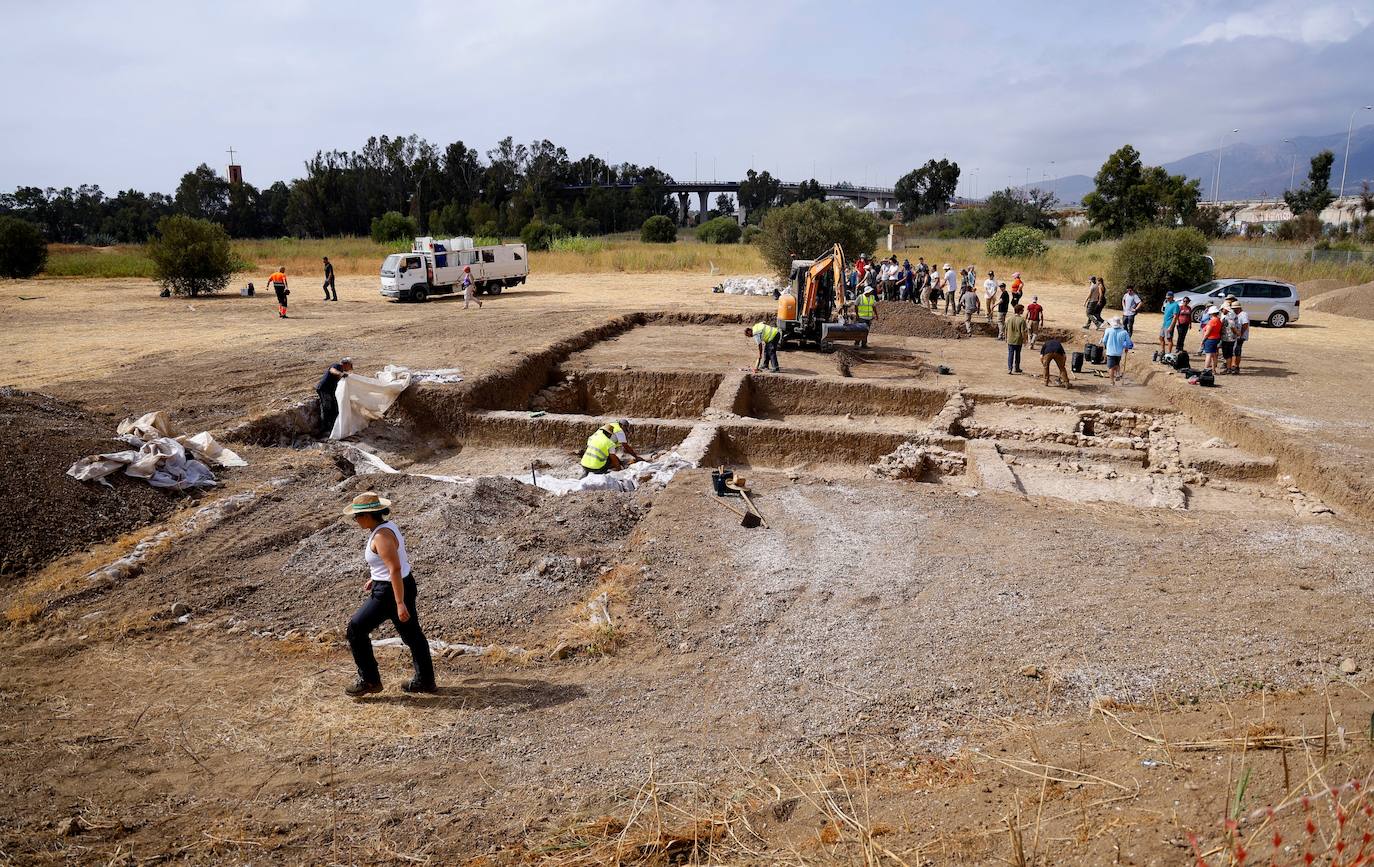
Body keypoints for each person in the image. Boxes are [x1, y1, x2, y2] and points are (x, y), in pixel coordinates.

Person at [343, 492, 436, 696]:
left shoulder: (381, 536)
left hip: (389, 593)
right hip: (398, 584)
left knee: (356, 629)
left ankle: (369, 681)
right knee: (412, 635)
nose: (355, 520)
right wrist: (375, 577)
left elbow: (393, 568)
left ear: (366, 515)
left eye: (356, 516)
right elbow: (391, 564)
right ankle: (426, 681)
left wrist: (399, 603)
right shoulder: (386, 527)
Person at [315, 357, 353, 437]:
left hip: (330, 391)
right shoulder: (337, 366)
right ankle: (324, 430)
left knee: (334, 409)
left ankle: (332, 428)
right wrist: (341, 374)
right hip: (324, 389)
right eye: (350, 365)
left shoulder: (342, 371)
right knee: (326, 408)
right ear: (346, 364)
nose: (350, 368)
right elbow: (332, 370)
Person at [1102, 316, 1134, 385]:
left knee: (1111, 367)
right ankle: (1118, 374)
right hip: (1119, 352)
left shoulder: (1108, 330)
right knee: (1117, 364)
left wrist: (1106, 346)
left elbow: (1104, 341)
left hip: (1110, 352)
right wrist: (1126, 348)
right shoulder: (1124, 332)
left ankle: (1112, 382)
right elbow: (1128, 342)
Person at [1005, 303, 1028, 374]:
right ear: (1019, 311)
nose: (1023, 311)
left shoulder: (1008, 319)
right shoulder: (1022, 320)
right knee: (1018, 354)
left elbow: (1006, 329)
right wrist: (1025, 340)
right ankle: (1017, 368)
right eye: (1022, 310)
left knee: (1010, 354)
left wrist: (1006, 338)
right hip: (1018, 340)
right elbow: (1023, 332)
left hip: (1010, 339)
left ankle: (1009, 368)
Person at [1200, 306, 1223, 373]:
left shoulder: (1212, 321)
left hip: (1210, 339)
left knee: (1208, 355)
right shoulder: (1218, 320)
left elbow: (1207, 333)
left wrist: (1203, 340)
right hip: (1216, 338)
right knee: (1214, 355)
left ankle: (1206, 369)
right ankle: (1213, 369)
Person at [1229, 301, 1250, 375]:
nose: (1234, 310)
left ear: (1238, 308)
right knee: (1235, 351)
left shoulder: (1243, 314)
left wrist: (1241, 333)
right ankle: (1235, 366)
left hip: (1240, 336)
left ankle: (1236, 366)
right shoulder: (1237, 314)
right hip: (1238, 335)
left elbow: (1245, 324)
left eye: (1235, 308)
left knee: (1236, 351)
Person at [1219, 298, 1239, 374]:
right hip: (1227, 338)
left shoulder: (1229, 317)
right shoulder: (1229, 315)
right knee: (1227, 354)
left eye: (1222, 309)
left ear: (1225, 309)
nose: (1221, 311)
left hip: (1229, 338)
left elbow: (1233, 327)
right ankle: (1228, 368)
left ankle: (1228, 369)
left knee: (1228, 354)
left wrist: (1238, 333)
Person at [1159, 291, 1180, 356]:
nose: (1167, 299)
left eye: (1169, 298)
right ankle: (1163, 351)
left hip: (1169, 324)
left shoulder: (1175, 305)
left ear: (1172, 297)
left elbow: (1175, 317)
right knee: (1161, 337)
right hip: (1164, 324)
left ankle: (1169, 353)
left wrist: (1171, 326)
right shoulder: (1167, 304)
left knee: (1169, 339)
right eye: (1167, 298)